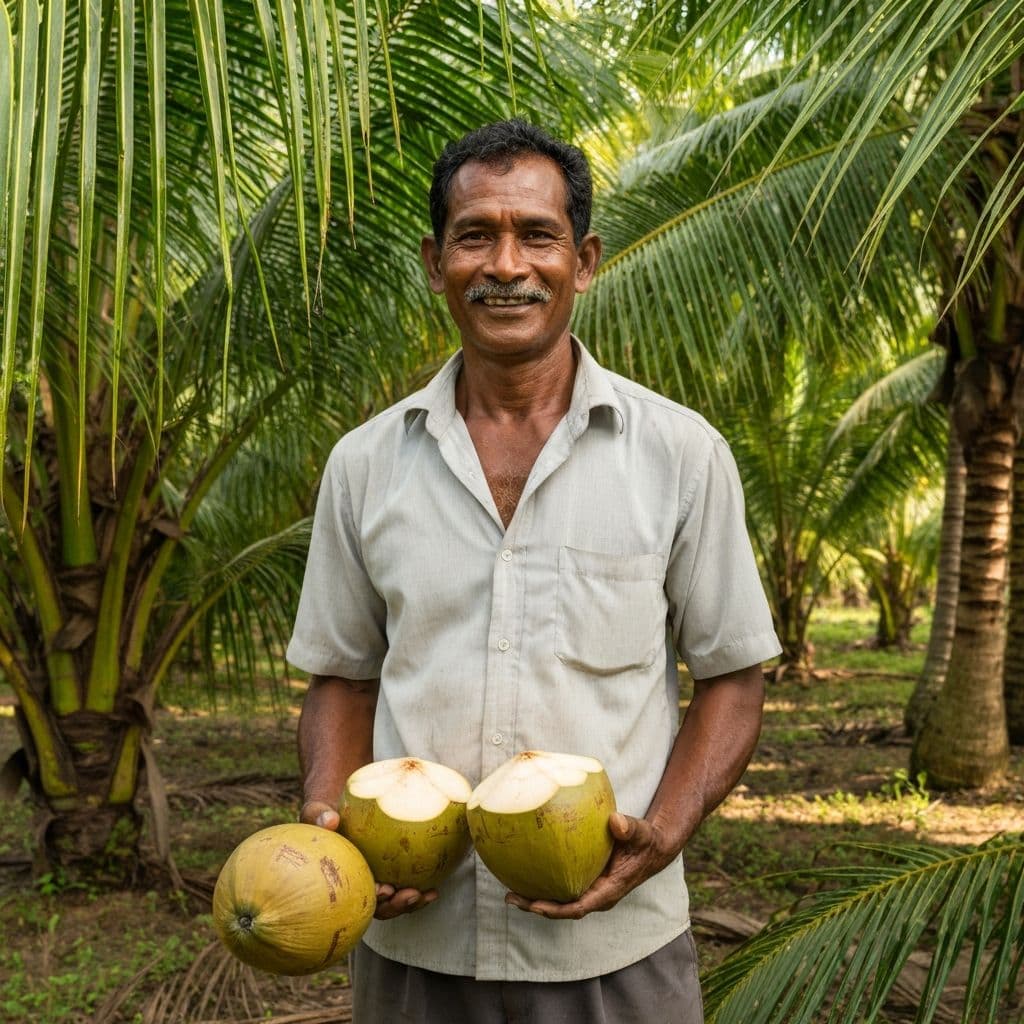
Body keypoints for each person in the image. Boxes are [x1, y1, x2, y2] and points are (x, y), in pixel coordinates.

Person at [287, 118, 782, 1023]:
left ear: (584, 260)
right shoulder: (364, 464)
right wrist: (331, 822)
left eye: (537, 235)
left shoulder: (680, 455)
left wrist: (661, 837)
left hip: (615, 941)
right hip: (415, 939)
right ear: (435, 262)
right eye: (476, 235)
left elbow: (733, 677)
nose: (506, 264)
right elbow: (341, 675)